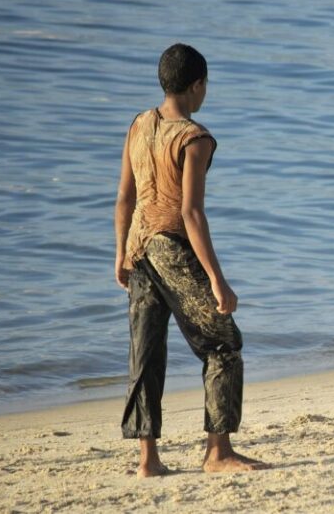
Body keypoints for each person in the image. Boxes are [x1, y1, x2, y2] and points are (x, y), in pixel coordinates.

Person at [114, 43, 270, 476]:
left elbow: (124, 197)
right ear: (197, 85)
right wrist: (218, 280)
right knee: (223, 344)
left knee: (145, 352)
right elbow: (190, 212)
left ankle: (148, 460)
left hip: (138, 248)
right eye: (205, 86)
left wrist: (119, 253)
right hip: (169, 248)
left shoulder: (140, 125)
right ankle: (218, 452)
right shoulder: (194, 138)